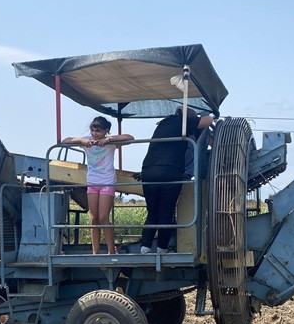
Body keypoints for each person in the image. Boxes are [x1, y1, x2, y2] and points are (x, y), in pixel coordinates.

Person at [139, 107, 214, 254]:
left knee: (152, 212)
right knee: (166, 212)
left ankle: (145, 247)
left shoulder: (164, 123)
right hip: (170, 171)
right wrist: (211, 116)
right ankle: (162, 248)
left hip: (148, 171)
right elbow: (208, 120)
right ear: (189, 118)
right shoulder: (183, 123)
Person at [62, 116, 134, 254]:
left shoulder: (110, 141)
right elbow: (65, 141)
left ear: (105, 131)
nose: (95, 133)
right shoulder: (88, 140)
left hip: (107, 182)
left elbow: (130, 138)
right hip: (92, 182)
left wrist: (109, 139)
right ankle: (95, 252)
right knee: (94, 218)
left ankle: (110, 251)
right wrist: (81, 141)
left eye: (99, 131)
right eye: (93, 130)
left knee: (103, 217)